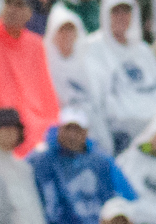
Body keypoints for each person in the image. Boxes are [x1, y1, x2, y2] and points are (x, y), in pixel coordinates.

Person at [34, 107, 137, 224]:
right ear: (59, 129)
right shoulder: (41, 160)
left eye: (77, 130)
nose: (72, 135)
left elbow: (126, 197)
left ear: (86, 132)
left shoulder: (101, 162)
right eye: (68, 129)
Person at [0, 0, 59, 152]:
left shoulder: (35, 44)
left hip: (36, 122)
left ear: (29, 13)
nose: (12, 10)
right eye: (8, 4)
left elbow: (46, 95)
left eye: (19, 5)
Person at [88, 0, 156, 148]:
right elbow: (99, 95)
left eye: (126, 12)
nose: (121, 17)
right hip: (119, 115)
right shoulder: (93, 48)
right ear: (106, 14)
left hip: (152, 110)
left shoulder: (143, 49)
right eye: (116, 12)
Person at [43, 11, 112, 152]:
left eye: (70, 29)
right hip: (64, 126)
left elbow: (101, 100)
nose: (66, 34)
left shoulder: (90, 65)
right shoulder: (46, 65)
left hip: (94, 124)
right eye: (62, 30)